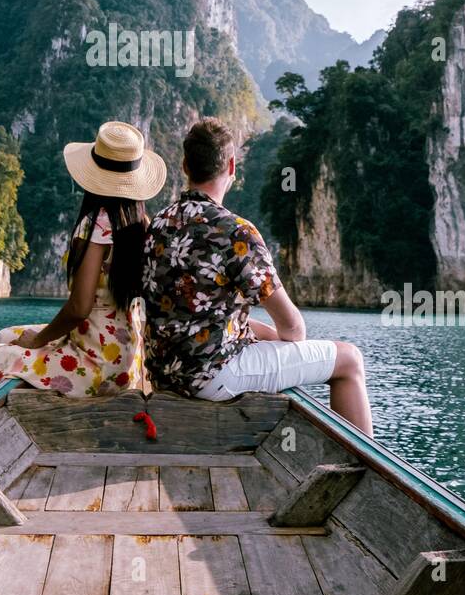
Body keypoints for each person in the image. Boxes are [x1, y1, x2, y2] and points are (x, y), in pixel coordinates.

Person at [143, 117, 373, 435]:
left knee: (268, 342)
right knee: (349, 360)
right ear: (232, 167)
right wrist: (274, 335)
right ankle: (365, 470)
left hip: (162, 374)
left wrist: (256, 332)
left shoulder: (157, 225)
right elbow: (294, 329)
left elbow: (193, 313)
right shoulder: (236, 232)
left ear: (185, 165)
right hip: (210, 377)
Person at [0, 121, 166, 403]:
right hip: (126, 360)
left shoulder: (95, 226)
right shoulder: (140, 224)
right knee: (4, 336)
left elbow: (79, 307)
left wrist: (39, 340)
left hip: (94, 363)